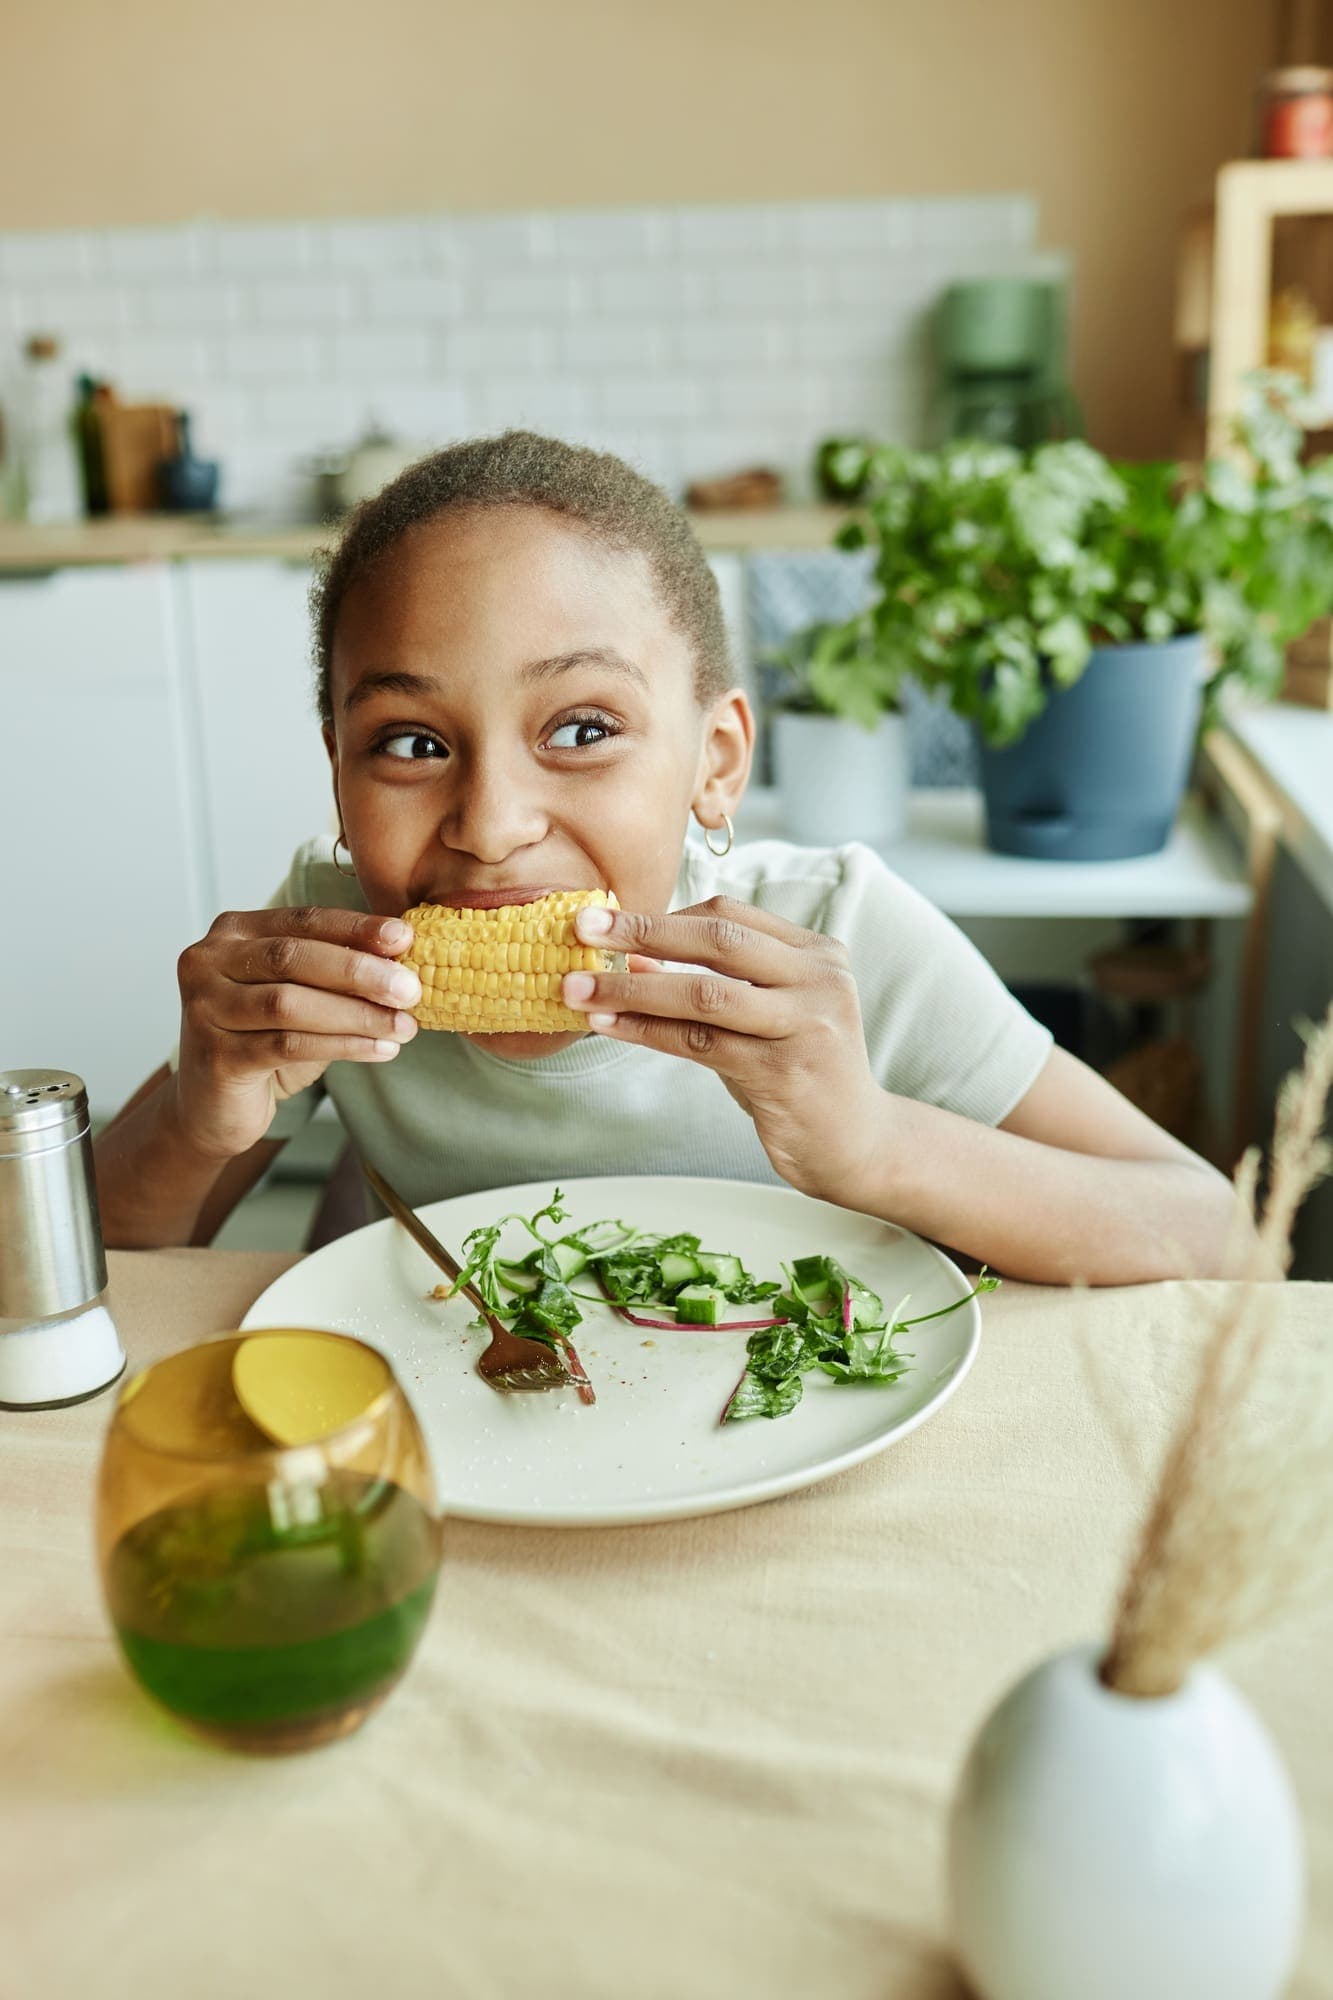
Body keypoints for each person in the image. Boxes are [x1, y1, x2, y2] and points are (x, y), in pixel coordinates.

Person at [95, 431, 1237, 1283]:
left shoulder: (836, 935)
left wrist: (879, 1143)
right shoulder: (322, 941)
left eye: (582, 729)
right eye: (410, 742)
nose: (490, 824)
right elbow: (89, 1263)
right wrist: (202, 1116)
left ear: (716, 762)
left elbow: (1214, 1235)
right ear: (338, 772)